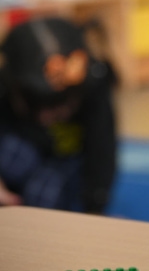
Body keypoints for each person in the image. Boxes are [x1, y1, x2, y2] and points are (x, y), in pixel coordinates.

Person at [0, 16, 118, 213]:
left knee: (44, 195)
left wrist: (95, 206)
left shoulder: (94, 83)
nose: (53, 116)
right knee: (11, 158)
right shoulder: (7, 87)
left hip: (68, 158)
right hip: (26, 147)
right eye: (42, 105)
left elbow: (102, 150)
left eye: (65, 104)